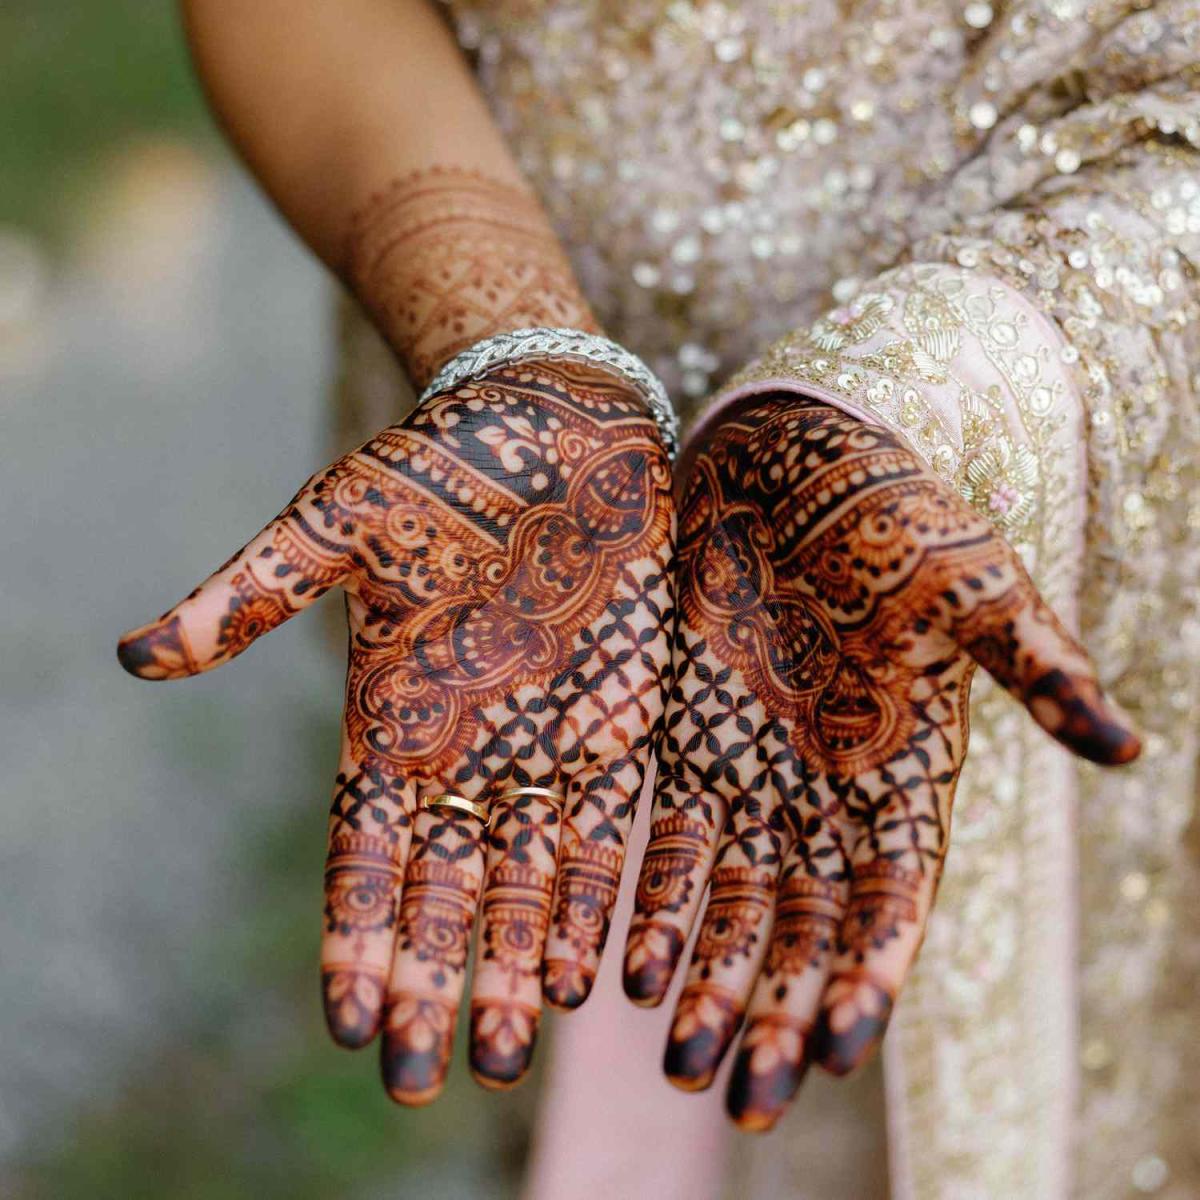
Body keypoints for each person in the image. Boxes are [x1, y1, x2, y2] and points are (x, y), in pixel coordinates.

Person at [120, 2, 1200, 1197]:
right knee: (589, 975)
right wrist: (505, 339)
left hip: (1090, 514)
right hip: (574, 622)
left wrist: (930, 387)